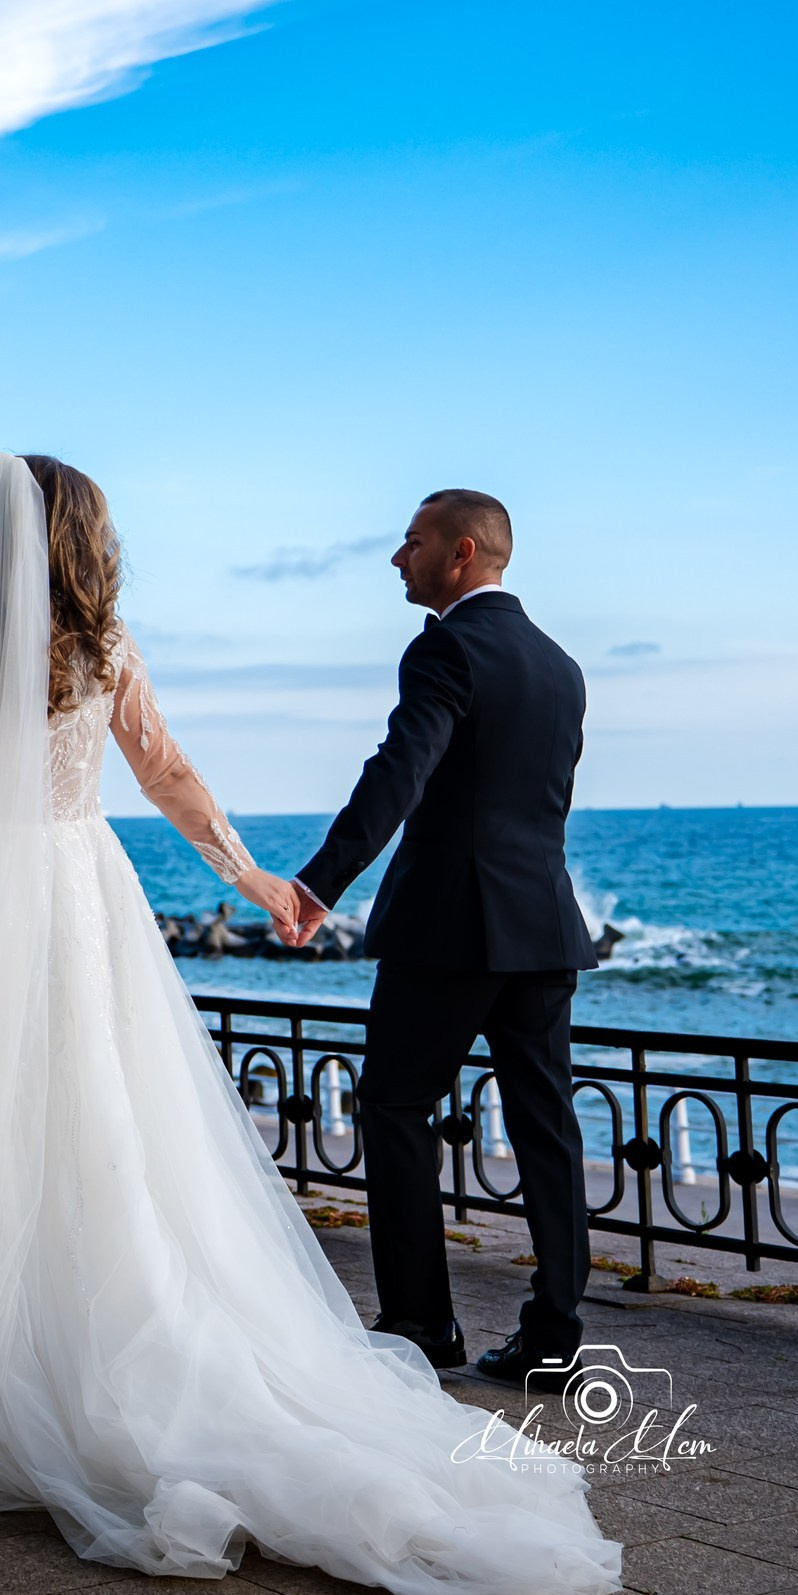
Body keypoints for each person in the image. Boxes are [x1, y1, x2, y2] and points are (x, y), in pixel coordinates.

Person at [0, 452, 616, 1595]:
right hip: (88, 895)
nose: (396, 554)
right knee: (98, 1119)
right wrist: (258, 875)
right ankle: (537, 1323)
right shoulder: (108, 645)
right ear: (82, 537)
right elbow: (165, 770)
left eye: (414, 539)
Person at [279, 491, 596, 1388]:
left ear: (461, 553)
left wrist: (318, 883)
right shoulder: (561, 665)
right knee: (548, 1129)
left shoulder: (445, 647)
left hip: (450, 930)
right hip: (544, 927)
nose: (396, 558)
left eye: (410, 542)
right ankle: (556, 1337)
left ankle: (421, 1322)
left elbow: (399, 774)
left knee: (392, 1106)